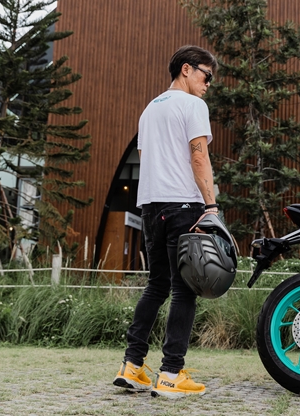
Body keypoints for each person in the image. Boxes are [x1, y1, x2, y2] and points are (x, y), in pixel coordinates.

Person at [113, 45, 218, 398]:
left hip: (150, 205)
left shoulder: (150, 110)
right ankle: (171, 373)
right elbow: (199, 157)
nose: (208, 84)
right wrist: (211, 205)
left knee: (157, 285)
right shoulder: (193, 105)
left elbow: (146, 157)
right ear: (187, 69)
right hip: (183, 205)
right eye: (206, 75)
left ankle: (132, 366)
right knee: (184, 289)